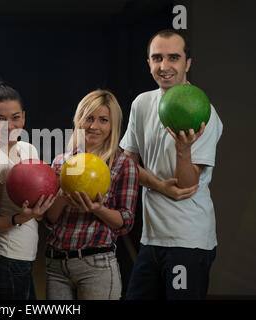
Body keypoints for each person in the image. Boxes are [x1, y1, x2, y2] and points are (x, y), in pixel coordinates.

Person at [120, 29, 223, 300]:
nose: (164, 66)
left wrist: (183, 150)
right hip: (151, 239)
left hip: (188, 242)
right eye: (157, 58)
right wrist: (158, 185)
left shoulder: (204, 112)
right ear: (149, 63)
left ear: (187, 63)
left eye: (173, 58)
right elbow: (126, 165)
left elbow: (188, 185)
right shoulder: (142, 104)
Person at [45, 89, 139, 300]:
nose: (94, 126)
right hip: (56, 265)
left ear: (112, 125)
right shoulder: (61, 162)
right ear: (79, 120)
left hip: (96, 265)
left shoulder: (123, 164)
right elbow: (50, 219)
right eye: (89, 118)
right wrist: (61, 194)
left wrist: (98, 209)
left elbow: (125, 222)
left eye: (103, 120)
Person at [0, 81, 55, 300]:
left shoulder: (28, 149)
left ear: (24, 117)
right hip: (4, 261)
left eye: (15, 117)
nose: (9, 126)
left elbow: (35, 210)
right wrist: (20, 218)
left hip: (21, 261)